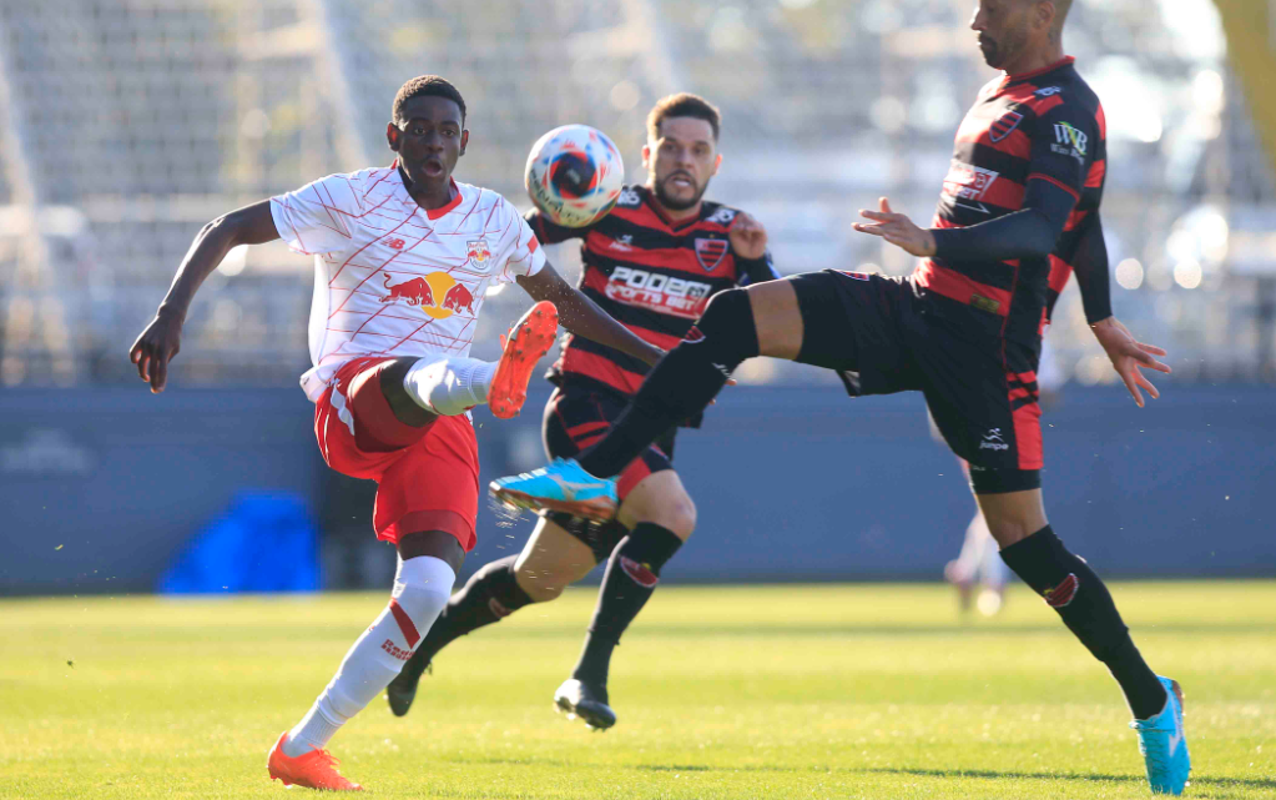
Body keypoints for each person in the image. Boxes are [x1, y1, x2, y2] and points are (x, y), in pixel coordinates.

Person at [487, 2, 1191, 794]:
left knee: (1026, 544)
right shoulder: (1002, 92)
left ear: (1036, 11)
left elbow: (1051, 227)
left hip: (987, 351)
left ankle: (1152, 699)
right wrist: (1095, 316)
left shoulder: (1068, 108)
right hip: (916, 308)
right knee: (730, 318)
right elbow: (1078, 218)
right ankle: (595, 472)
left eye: (990, 7)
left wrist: (947, 247)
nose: (974, 21)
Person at [128, 75, 663, 792]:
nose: (434, 141)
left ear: (464, 143)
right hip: (357, 395)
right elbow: (225, 227)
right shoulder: (349, 198)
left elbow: (565, 302)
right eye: (420, 128)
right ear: (395, 136)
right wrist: (170, 315)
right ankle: (489, 376)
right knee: (416, 372)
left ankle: (302, 747)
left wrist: (666, 363)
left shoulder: (491, 220)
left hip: (440, 425)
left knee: (426, 592)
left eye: (447, 131)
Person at [386, 93, 779, 730]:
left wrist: (757, 260)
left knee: (535, 581)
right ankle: (587, 675)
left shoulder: (729, 235)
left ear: (715, 161)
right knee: (673, 515)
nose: (685, 160)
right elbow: (515, 241)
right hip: (587, 407)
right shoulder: (607, 203)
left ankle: (414, 652)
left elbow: (765, 323)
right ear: (647, 155)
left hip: (652, 430)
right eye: (672, 147)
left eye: (698, 150)